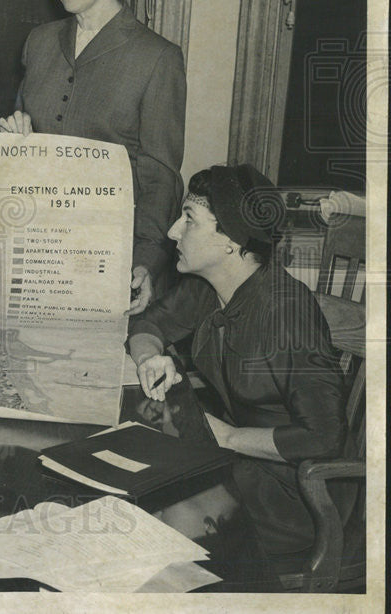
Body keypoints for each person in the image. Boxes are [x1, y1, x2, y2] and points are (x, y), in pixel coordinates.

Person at [128, 164, 348, 556]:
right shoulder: (208, 288)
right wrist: (150, 358)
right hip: (240, 463)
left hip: (297, 493)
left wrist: (226, 437)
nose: (172, 231)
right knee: (132, 487)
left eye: (189, 221)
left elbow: (325, 437)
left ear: (230, 239)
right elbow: (148, 323)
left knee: (148, 523)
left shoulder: (286, 313)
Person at [0, 0, 186, 314]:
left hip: (109, 257)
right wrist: (16, 139)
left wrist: (145, 263)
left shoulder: (157, 58)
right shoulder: (40, 42)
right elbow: (19, 147)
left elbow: (161, 178)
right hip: (38, 253)